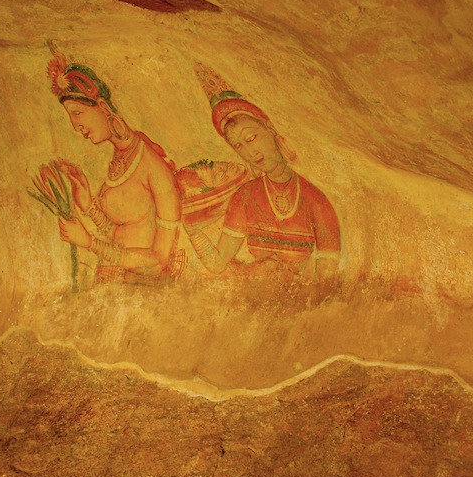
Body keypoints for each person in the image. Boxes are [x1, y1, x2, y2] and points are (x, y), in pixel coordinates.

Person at [186, 64, 341, 303]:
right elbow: (217, 263)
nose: (249, 151)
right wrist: (193, 230)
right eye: (239, 146)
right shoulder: (245, 196)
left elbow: (325, 286)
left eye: (251, 138)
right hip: (250, 305)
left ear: (270, 130)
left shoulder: (316, 201)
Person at [46, 51, 182, 284]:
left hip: (142, 292)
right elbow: (121, 234)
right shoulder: (121, 158)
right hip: (113, 286)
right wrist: (87, 205)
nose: (75, 126)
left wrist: (89, 242)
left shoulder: (154, 168)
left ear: (102, 106)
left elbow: (158, 261)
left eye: (77, 113)